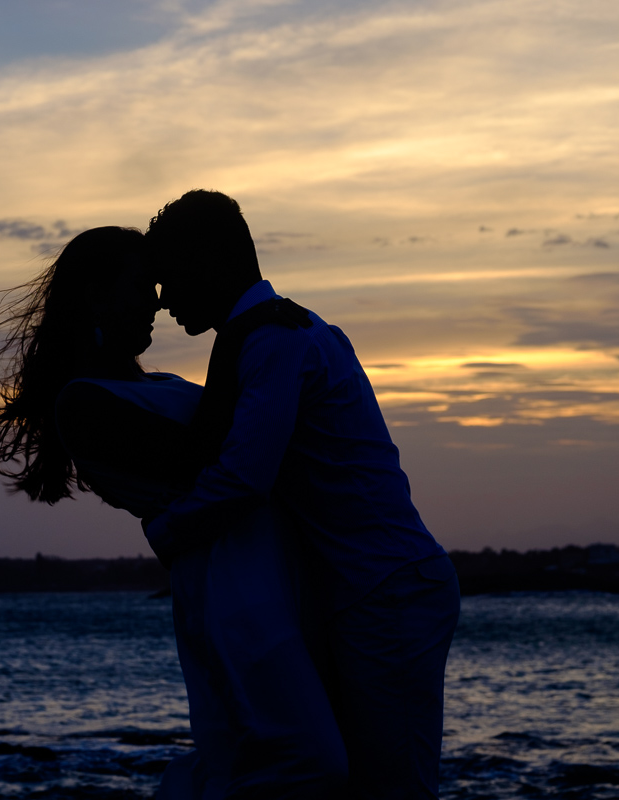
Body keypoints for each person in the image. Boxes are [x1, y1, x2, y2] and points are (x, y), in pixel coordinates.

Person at [0, 226, 347, 799]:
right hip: (233, 596)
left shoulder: (153, 385)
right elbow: (204, 452)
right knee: (298, 762)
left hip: (266, 579)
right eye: (144, 286)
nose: (159, 302)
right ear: (97, 295)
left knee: (289, 760)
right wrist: (241, 329)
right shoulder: (84, 404)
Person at [144, 189, 461, 799]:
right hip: (372, 590)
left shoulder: (274, 342)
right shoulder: (270, 335)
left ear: (208, 261)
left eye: (169, 279)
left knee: (391, 790)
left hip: (385, 592)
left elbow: (243, 476)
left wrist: (165, 532)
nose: (163, 303)